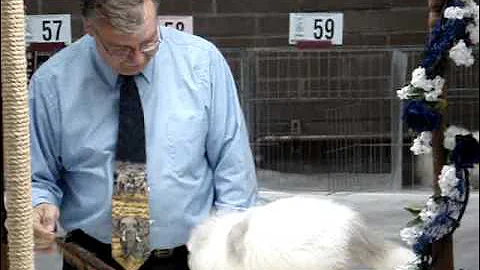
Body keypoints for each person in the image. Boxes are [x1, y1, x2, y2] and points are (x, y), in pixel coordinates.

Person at [30, 0, 258, 269]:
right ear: (90, 29)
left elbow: (233, 169)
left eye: (149, 42)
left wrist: (229, 249)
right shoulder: (52, 84)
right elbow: (37, 178)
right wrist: (38, 205)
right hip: (90, 258)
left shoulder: (202, 64)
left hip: (191, 256)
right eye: (120, 49)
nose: (137, 58)